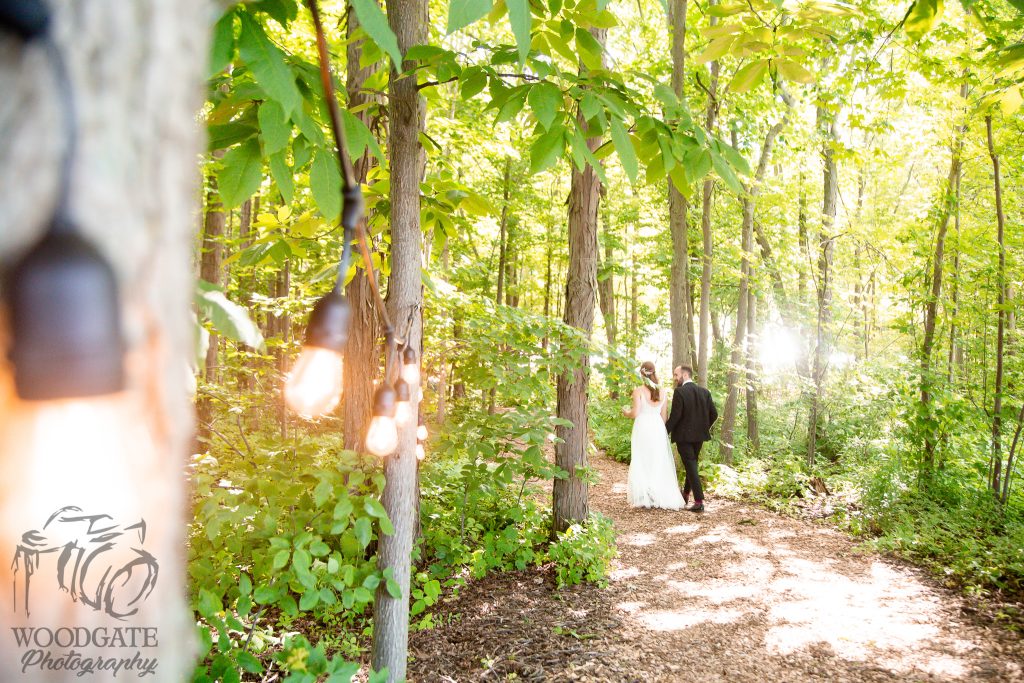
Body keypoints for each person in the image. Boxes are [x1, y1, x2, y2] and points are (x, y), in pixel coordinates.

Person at [622, 362, 685, 510]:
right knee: (657, 459)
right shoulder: (663, 392)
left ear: (642, 374)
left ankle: (644, 496)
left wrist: (626, 412)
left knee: (642, 457)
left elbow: (635, 413)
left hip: (643, 426)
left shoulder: (638, 391)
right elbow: (664, 417)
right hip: (657, 428)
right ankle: (656, 493)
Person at [665, 365, 718, 513]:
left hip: (684, 437)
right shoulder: (704, 392)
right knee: (692, 465)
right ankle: (686, 494)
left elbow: (675, 417)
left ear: (685, 375)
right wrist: (703, 428)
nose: (675, 378)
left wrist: (664, 432)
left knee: (691, 465)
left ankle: (699, 501)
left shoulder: (680, 392)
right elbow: (714, 414)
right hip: (699, 437)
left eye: (676, 375)